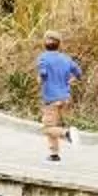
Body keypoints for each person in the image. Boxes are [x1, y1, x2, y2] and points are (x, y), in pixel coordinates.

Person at [34, 33, 81, 162]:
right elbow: (78, 72)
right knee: (53, 125)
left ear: (45, 43)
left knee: (47, 128)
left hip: (51, 98)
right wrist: (70, 81)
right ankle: (54, 154)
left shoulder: (43, 58)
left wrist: (40, 79)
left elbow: (43, 73)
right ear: (59, 44)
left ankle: (67, 134)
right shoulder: (66, 59)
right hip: (65, 97)